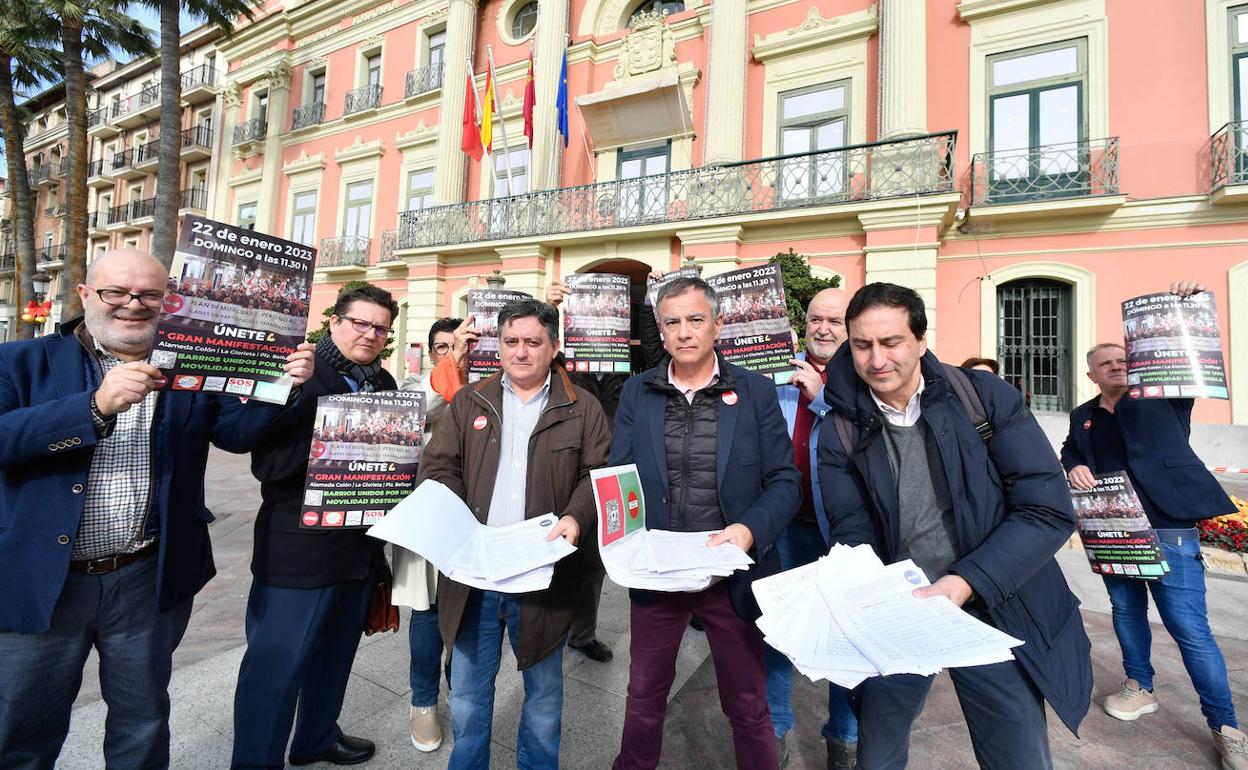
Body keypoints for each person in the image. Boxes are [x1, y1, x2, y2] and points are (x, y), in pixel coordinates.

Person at [0, 248, 314, 769]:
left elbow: (235, 435)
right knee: (23, 728)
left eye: (149, 295)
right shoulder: (20, 362)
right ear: (85, 296)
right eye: (115, 293)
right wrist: (93, 407)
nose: (133, 305)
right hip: (44, 584)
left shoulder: (189, 368)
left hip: (145, 578)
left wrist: (283, 386)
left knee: (142, 722)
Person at [817, 282, 1092, 769]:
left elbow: (1045, 509)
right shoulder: (841, 425)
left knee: (1017, 754)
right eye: (862, 345)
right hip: (899, 611)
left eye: (891, 342)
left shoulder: (982, 398)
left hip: (994, 600)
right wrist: (862, 584)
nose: (877, 359)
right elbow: (850, 523)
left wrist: (966, 582)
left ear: (920, 341)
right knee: (877, 752)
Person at [609, 276, 800, 770]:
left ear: (718, 323)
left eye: (696, 319)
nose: (685, 331)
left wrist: (749, 531)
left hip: (731, 571)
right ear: (661, 330)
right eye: (672, 322)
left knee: (746, 702)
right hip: (659, 574)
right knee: (645, 693)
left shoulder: (755, 392)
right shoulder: (638, 392)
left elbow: (785, 481)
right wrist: (622, 539)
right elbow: (620, 476)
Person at [417, 298, 611, 769]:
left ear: (553, 347)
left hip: (543, 575)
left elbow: (598, 473)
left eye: (532, 342)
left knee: (544, 696)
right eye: (511, 342)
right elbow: (438, 466)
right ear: (498, 345)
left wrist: (577, 517)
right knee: (467, 693)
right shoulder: (470, 400)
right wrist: (458, 520)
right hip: (476, 574)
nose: (521, 352)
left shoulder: (583, 407)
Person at [1061, 281, 1247, 770]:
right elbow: (1071, 450)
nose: (1118, 366)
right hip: (1115, 528)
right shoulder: (1082, 414)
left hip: (1168, 526)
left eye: (1123, 359)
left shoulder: (1166, 396)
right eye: (1107, 363)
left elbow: (1190, 352)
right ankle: (1139, 686)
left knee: (1190, 629)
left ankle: (1225, 725)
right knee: (1126, 614)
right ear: (1091, 374)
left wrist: (1185, 304)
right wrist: (1073, 465)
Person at [230, 284, 402, 769]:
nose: (370, 334)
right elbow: (244, 442)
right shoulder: (296, 368)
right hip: (297, 548)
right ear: (335, 322)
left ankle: (316, 737)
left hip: (358, 546)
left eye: (380, 328)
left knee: (335, 656)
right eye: (360, 323)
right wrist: (289, 394)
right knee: (275, 668)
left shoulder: (383, 383)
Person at [545, 275, 664, 663]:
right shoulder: (561, 366)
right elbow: (533, 345)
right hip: (561, 474)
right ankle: (545, 631)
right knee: (555, 558)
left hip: (608, 479)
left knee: (593, 565)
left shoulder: (629, 368)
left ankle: (583, 633)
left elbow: (654, 345)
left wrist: (650, 300)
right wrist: (551, 307)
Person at [770, 287, 859, 769]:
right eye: (816, 318)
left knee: (845, 637)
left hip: (840, 532)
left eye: (835, 321)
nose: (823, 328)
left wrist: (823, 398)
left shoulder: (864, 375)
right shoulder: (777, 366)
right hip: (782, 526)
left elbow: (871, 437)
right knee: (779, 631)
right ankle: (775, 731)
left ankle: (844, 739)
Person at [392, 316, 462, 752]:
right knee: (428, 613)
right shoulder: (417, 386)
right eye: (442, 346)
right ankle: (423, 702)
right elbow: (421, 409)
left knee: (474, 614)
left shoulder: (497, 386)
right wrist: (451, 366)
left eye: (459, 344)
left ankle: (465, 691)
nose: (451, 352)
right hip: (428, 516)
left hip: (478, 521)